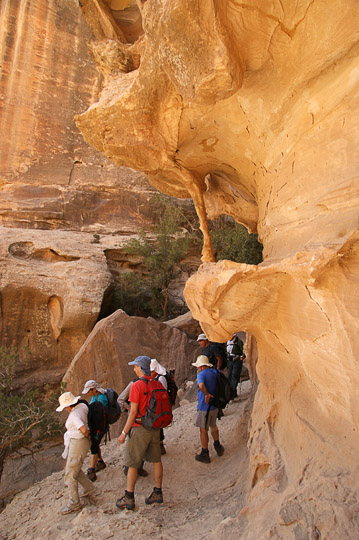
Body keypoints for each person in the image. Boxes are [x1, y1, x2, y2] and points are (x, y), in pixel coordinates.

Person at [116, 355, 164, 510]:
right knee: (157, 460)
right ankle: (158, 492)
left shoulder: (137, 385)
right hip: (155, 428)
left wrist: (124, 432)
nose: (134, 368)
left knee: (132, 463)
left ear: (141, 368)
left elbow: (133, 411)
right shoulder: (156, 383)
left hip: (140, 428)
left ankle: (129, 497)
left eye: (135, 366)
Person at [56, 391, 94, 514]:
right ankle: (88, 488)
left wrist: (87, 434)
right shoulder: (82, 406)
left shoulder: (74, 415)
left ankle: (74, 503)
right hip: (81, 442)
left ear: (68, 405)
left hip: (78, 442)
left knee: (70, 474)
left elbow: (82, 428)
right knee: (75, 468)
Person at [192, 355, 224, 464]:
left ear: (201, 366)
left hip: (204, 407)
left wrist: (206, 394)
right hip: (215, 406)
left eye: (198, 366)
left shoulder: (201, 374)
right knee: (213, 425)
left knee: (203, 429)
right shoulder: (215, 372)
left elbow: (201, 385)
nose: (197, 369)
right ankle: (217, 445)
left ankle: (205, 452)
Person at [117, 378, 148, 478]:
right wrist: (130, 408)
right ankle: (129, 467)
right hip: (134, 419)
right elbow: (121, 399)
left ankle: (138, 467)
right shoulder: (133, 384)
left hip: (145, 419)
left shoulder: (148, 382)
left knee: (142, 444)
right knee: (132, 443)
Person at [81, 379, 109, 481]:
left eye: (89, 391)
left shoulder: (101, 399)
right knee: (95, 444)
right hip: (98, 427)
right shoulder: (97, 397)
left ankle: (92, 470)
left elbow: (99, 416)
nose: (88, 394)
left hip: (98, 428)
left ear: (94, 389)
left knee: (93, 447)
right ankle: (100, 462)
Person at [150, 358, 167, 455]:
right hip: (156, 404)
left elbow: (163, 392)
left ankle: (160, 445)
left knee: (158, 424)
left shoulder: (161, 378)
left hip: (159, 404)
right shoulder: (157, 378)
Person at [226, 334, 245, 398]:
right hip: (230, 361)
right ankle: (230, 392)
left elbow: (243, 350)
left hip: (237, 360)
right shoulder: (228, 341)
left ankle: (232, 392)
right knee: (229, 376)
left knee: (235, 375)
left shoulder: (238, 341)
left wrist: (242, 356)